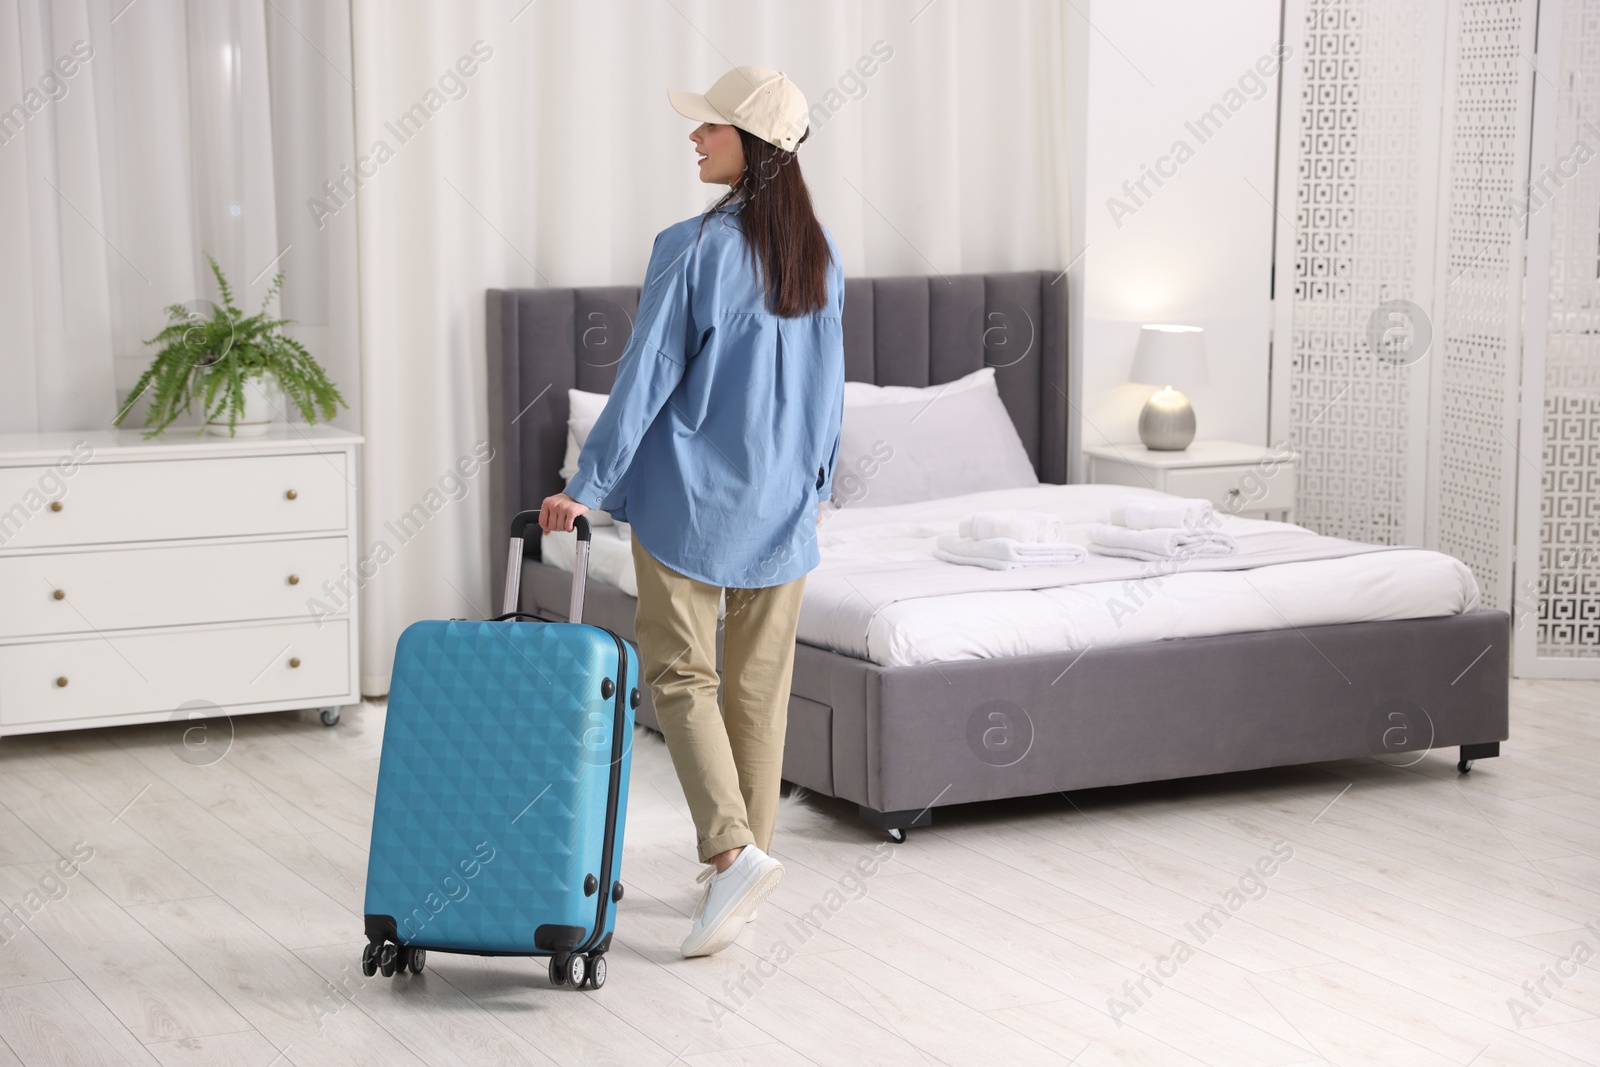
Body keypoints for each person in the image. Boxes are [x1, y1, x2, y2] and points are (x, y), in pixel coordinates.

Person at [537, 65, 845, 959]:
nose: (695, 138)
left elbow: (644, 380)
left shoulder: (691, 245)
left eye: (710, 127)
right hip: (785, 505)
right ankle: (739, 871)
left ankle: (728, 851)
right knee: (758, 693)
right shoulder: (818, 252)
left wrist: (587, 485)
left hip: (693, 497)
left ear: (753, 147)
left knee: (679, 677)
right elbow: (829, 395)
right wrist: (817, 485)